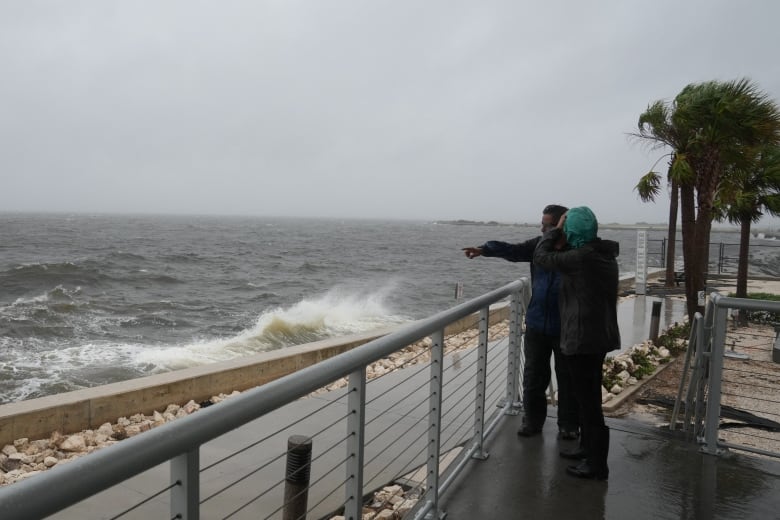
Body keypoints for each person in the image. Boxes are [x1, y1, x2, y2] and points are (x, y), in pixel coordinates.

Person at [463, 205, 579, 440]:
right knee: (534, 377)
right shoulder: (539, 246)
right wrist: (485, 250)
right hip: (537, 323)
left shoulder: (577, 250)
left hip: (567, 325)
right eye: (543, 223)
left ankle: (568, 426)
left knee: (568, 379)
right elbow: (513, 251)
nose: (542, 227)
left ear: (560, 225)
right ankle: (532, 421)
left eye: (547, 224)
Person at [533, 206, 620, 481]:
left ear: (574, 231)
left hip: (583, 338)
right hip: (596, 335)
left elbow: (542, 257)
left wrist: (555, 231)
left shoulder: (582, 257)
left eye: (567, 227)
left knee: (588, 402)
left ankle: (596, 464)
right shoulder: (600, 253)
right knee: (588, 398)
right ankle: (588, 449)